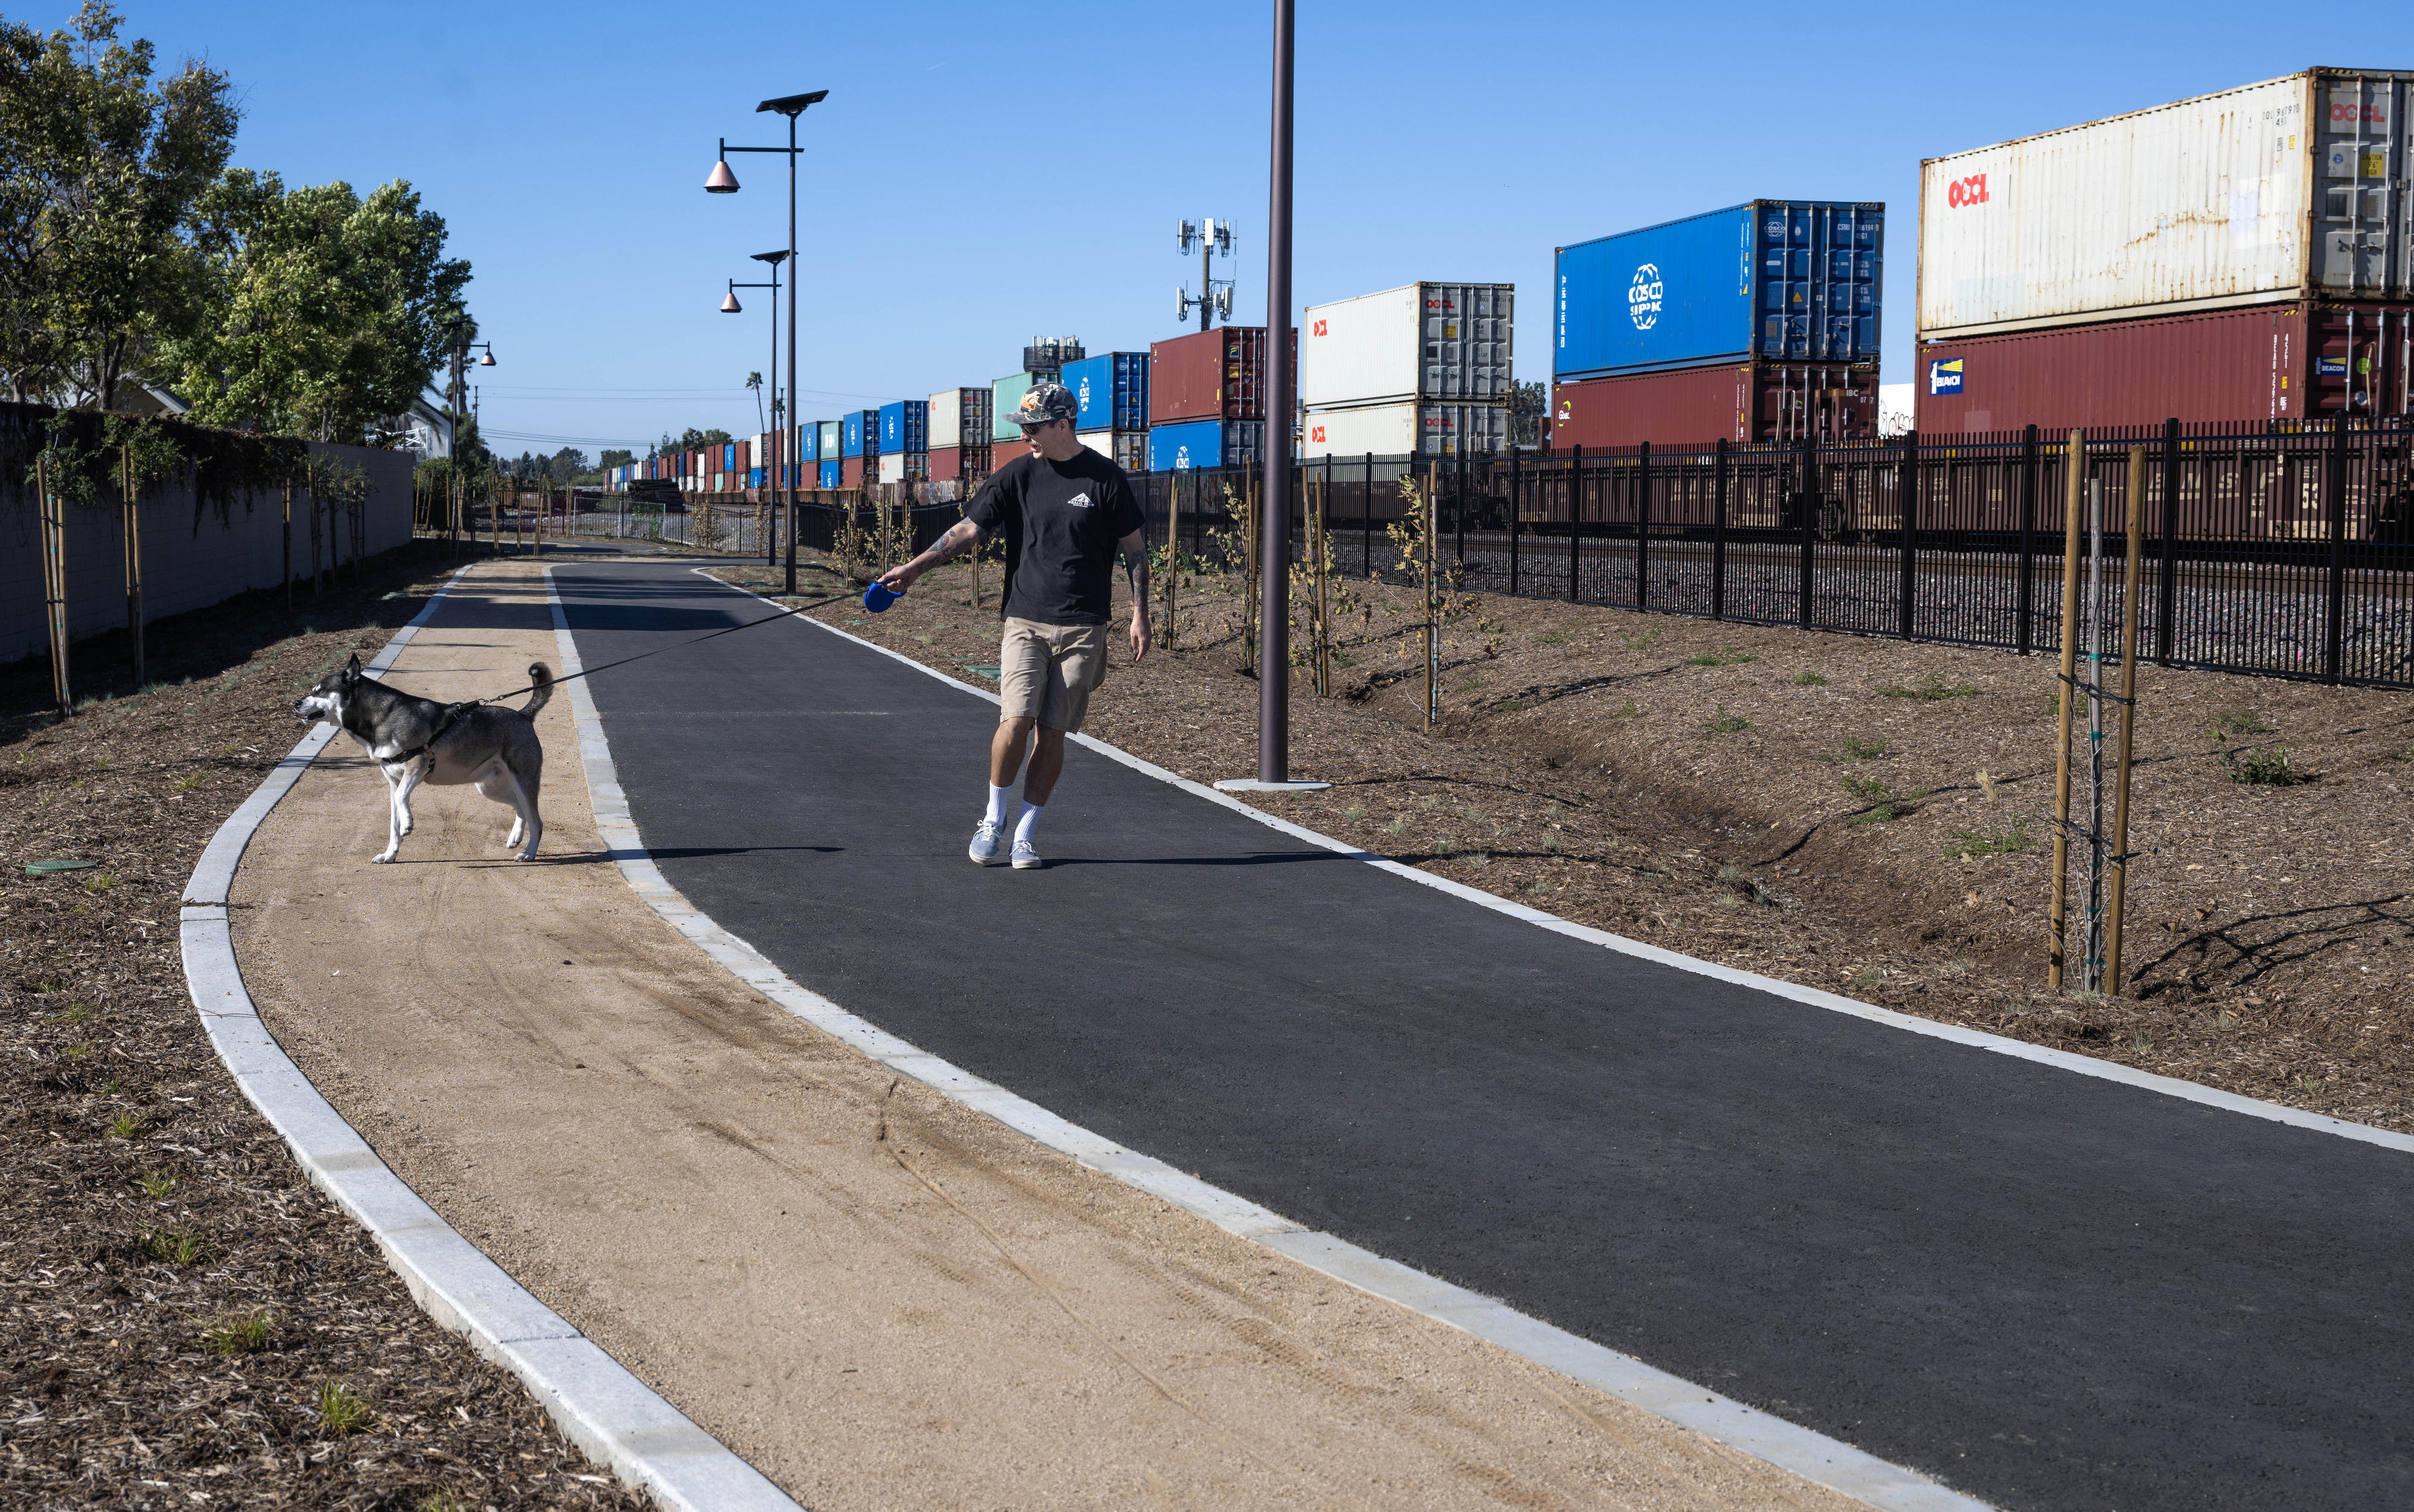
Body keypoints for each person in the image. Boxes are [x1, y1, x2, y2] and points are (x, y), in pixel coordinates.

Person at [876, 381, 1148, 869]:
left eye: (1033, 426)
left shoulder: (1106, 479)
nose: (1025, 436)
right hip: (1025, 618)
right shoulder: (1017, 475)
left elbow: (1135, 550)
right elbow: (966, 531)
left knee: (1053, 731)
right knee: (1016, 720)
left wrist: (1141, 614)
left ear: (1063, 424)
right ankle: (992, 819)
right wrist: (914, 569)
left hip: (1085, 625)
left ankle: (1025, 832)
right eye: (1022, 427)